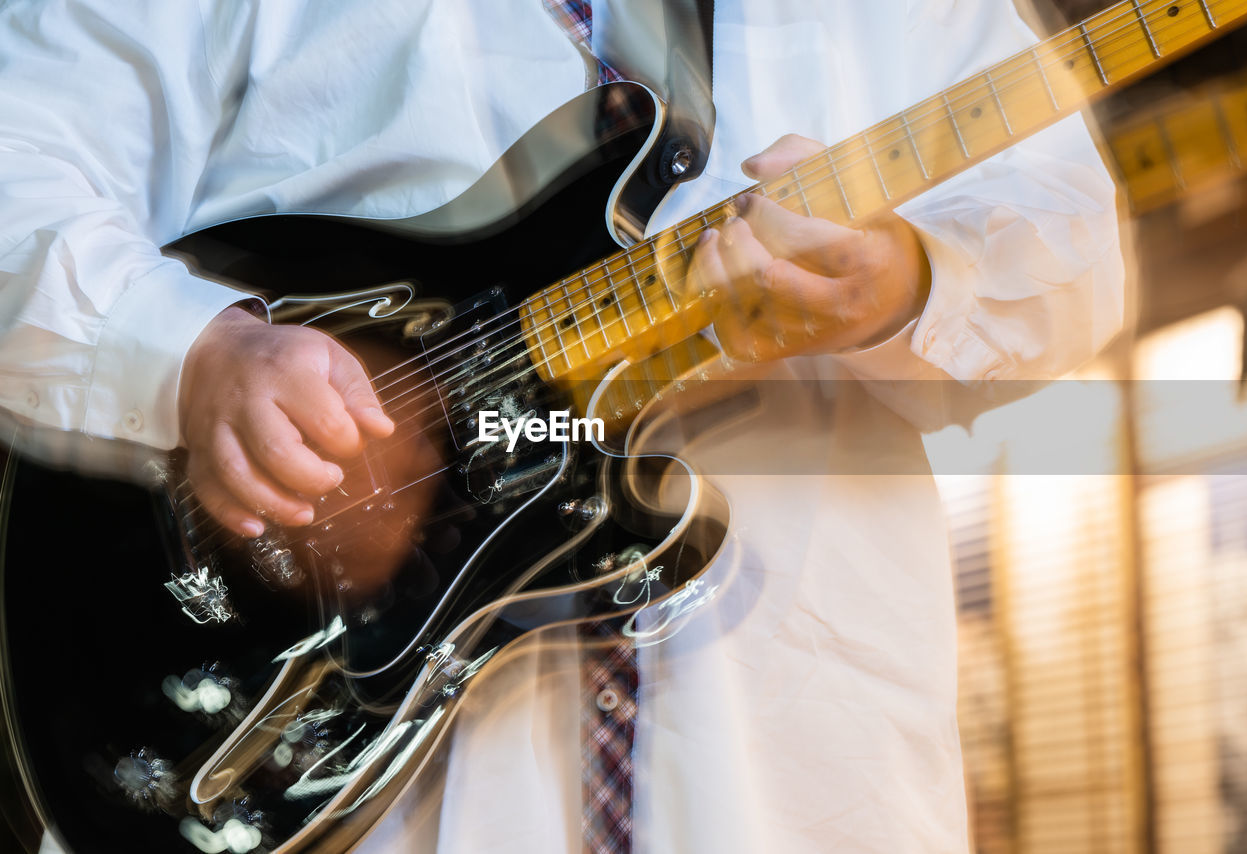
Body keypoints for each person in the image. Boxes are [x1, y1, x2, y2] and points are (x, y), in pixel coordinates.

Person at [0, 0, 1124, 851]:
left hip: (790, 751)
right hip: (364, 743)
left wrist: (908, 280)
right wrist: (190, 353)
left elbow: (1069, 239)